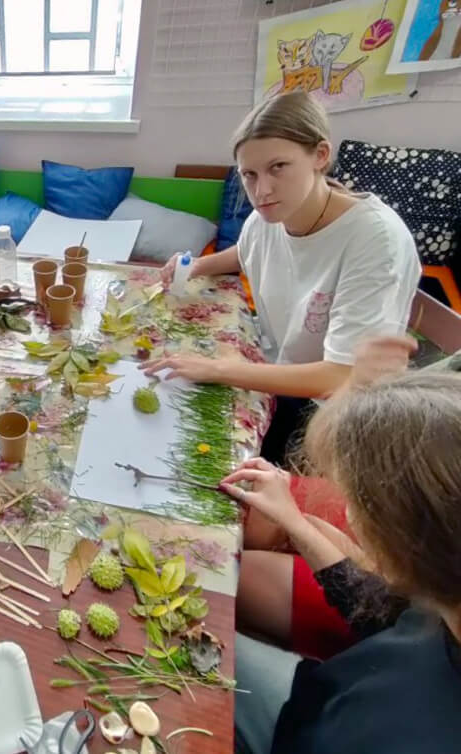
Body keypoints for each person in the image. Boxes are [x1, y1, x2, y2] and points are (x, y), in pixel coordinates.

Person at [143, 90, 421, 464]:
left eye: (278, 167)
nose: (262, 191)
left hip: (337, 414)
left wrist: (221, 370)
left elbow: (341, 375)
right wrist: (196, 266)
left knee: (203, 459)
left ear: (320, 155)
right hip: (277, 372)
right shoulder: (267, 217)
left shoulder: (375, 240)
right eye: (249, 175)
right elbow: (246, 253)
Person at [229, 370, 461, 754]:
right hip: (316, 700)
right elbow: (387, 614)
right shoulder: (445, 606)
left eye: (353, 502)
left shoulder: (390, 733)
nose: (347, 515)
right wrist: (295, 524)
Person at [237, 335, 418, 660]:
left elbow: (383, 606)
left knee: (231, 572)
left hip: (386, 609)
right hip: (397, 556)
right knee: (248, 509)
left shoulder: (422, 625)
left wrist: (300, 527)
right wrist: (298, 523)